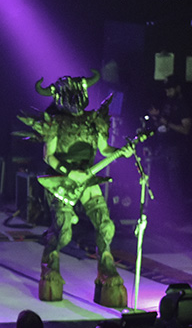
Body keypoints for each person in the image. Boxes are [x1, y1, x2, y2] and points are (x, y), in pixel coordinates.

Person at [18, 71, 135, 306]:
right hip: (63, 181)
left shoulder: (94, 120)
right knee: (63, 231)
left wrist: (121, 151)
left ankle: (106, 267)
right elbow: (49, 156)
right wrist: (69, 172)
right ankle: (50, 264)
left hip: (89, 180)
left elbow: (105, 148)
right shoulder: (54, 121)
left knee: (104, 224)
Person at [146, 76, 191, 209]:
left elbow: (186, 130)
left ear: (177, 88)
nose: (168, 93)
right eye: (166, 90)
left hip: (176, 147)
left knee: (175, 182)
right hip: (164, 146)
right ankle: (167, 210)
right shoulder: (168, 103)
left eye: (170, 90)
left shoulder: (183, 105)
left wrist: (168, 124)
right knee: (164, 180)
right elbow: (163, 120)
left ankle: (179, 213)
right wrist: (157, 117)